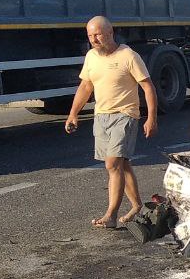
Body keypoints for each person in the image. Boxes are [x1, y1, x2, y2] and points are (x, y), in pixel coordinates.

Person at [64, 16, 158, 229]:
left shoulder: (128, 56)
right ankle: (136, 206)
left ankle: (111, 215)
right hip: (101, 116)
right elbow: (85, 87)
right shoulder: (91, 57)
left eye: (97, 34)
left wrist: (151, 117)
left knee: (112, 164)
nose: (93, 40)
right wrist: (73, 114)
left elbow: (148, 87)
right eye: (90, 35)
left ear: (110, 33)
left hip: (125, 115)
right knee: (122, 165)